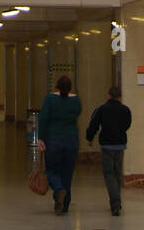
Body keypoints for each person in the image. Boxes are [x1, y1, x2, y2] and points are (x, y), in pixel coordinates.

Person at [37, 75, 81, 214]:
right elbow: (77, 113)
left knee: (51, 170)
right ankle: (64, 205)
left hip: (53, 139)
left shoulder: (50, 99)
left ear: (57, 86)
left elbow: (43, 119)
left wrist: (41, 138)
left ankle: (58, 189)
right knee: (67, 173)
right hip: (71, 139)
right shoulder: (76, 101)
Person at [86, 86, 132, 216]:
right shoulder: (125, 110)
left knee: (109, 173)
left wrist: (89, 138)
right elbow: (128, 124)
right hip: (120, 145)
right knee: (117, 173)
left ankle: (115, 202)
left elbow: (93, 124)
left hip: (107, 146)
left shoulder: (101, 109)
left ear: (108, 95)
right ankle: (116, 199)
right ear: (120, 97)